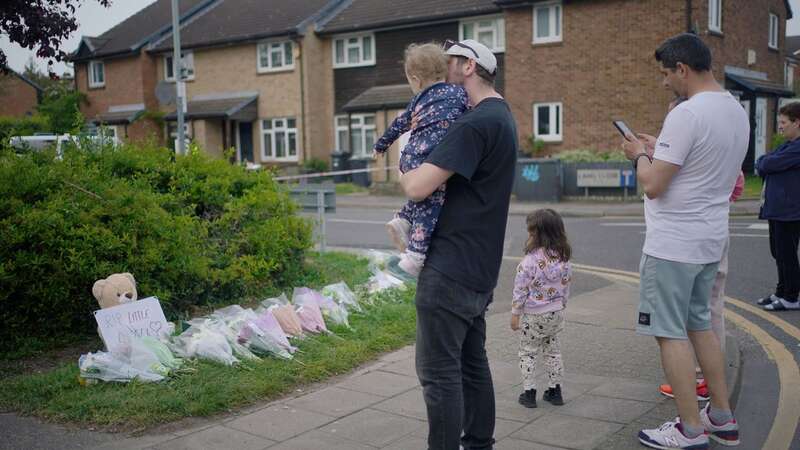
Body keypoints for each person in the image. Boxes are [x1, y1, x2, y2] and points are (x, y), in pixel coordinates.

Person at [622, 33, 747, 449]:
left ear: (682, 69)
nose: (663, 83)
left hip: (673, 244)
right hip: (710, 238)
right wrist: (660, 148)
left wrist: (638, 154)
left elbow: (654, 184)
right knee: (700, 324)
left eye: (665, 74)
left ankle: (690, 429)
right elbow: (703, 163)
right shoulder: (735, 109)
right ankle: (723, 417)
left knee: (669, 332)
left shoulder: (687, 114)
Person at [397, 38, 517, 450]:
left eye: (448, 62)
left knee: (438, 375)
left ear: (468, 67)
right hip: (479, 269)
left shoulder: (473, 124)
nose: (440, 71)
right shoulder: (501, 116)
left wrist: (403, 144)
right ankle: (479, 443)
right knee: (471, 365)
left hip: (449, 270)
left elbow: (416, 186)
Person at [652, 97, 746, 401]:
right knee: (711, 308)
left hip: (688, 239)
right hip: (717, 233)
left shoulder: (689, 157)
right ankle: (712, 387)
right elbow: (737, 185)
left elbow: (656, 185)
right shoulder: (721, 142)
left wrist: (645, 157)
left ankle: (694, 382)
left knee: (681, 320)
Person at [373, 43, 469, 277]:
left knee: (424, 200)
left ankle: (404, 219)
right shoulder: (458, 92)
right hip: (431, 158)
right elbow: (470, 116)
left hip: (411, 156)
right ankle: (415, 255)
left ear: (416, 79)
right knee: (432, 202)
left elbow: (399, 124)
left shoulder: (417, 101)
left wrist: (381, 145)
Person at [511, 209, 572, 409]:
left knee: (528, 352)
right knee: (552, 352)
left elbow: (520, 290)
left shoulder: (528, 262)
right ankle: (555, 391)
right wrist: (562, 304)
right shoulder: (564, 259)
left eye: (531, 233)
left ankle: (529, 393)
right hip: (555, 313)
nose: (528, 236)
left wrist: (515, 315)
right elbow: (566, 285)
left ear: (538, 235)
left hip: (533, 315)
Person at [755, 102, 800, 311]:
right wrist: (766, 162)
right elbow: (762, 162)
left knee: (786, 254)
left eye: (783, 122)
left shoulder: (797, 147)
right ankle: (781, 291)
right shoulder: (787, 145)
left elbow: (766, 164)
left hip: (789, 211)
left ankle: (791, 296)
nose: (779, 127)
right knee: (778, 252)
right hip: (778, 209)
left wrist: (766, 163)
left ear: (797, 122)